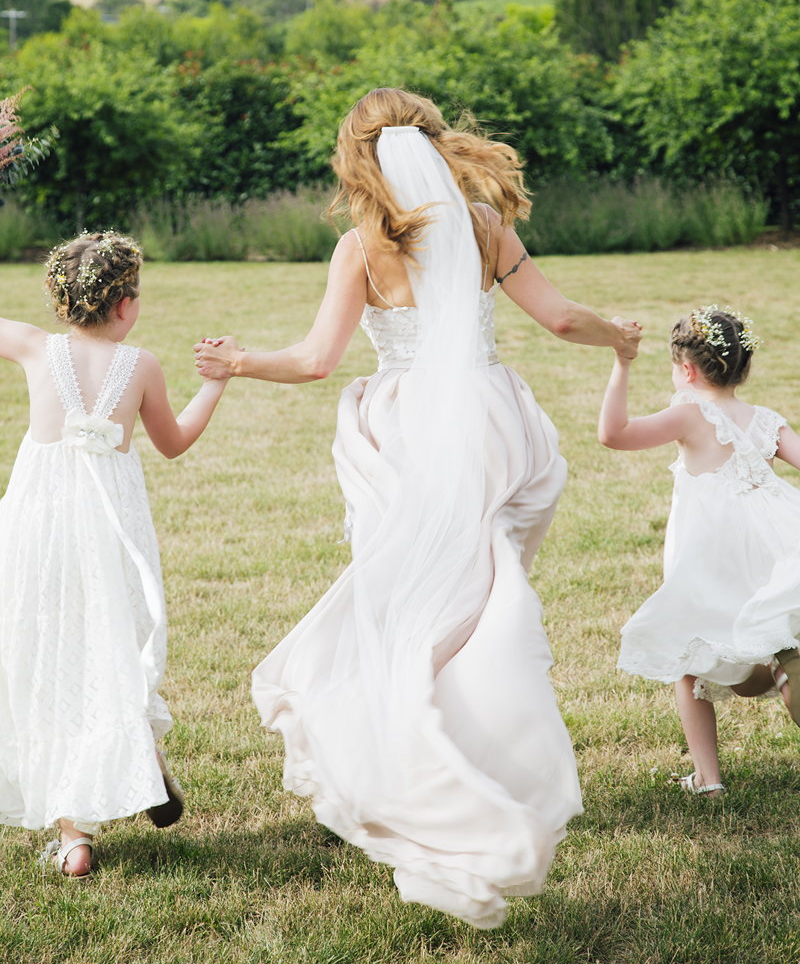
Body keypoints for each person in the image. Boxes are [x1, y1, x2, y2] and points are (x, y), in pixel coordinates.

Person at [195, 87, 641, 927]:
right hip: (489, 425)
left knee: (407, 601)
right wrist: (614, 335)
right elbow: (556, 317)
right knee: (480, 595)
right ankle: (471, 749)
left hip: (398, 433)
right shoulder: (483, 226)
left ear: (355, 157)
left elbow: (318, 359)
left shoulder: (359, 248)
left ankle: (410, 756)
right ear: (433, 144)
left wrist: (242, 362)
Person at [0, 231, 228, 877]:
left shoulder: (33, 348)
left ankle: (74, 839)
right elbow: (175, 440)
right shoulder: (143, 366)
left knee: (53, 655)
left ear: (59, 298)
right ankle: (144, 754)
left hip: (39, 534)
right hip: (112, 531)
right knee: (113, 642)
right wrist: (215, 382)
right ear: (125, 304)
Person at [598, 306, 800, 798]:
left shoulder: (691, 413)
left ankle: (709, 780)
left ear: (687, 371)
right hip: (779, 536)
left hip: (716, 549)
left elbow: (613, 434)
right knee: (786, 640)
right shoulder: (766, 420)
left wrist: (622, 363)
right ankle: (778, 670)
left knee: (689, 653)